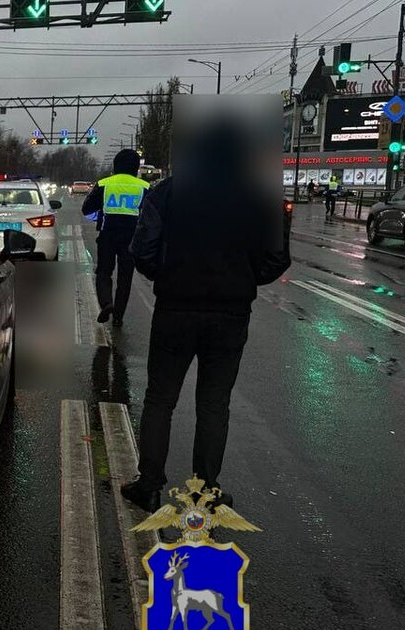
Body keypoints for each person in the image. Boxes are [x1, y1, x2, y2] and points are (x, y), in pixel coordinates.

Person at [120, 116, 291, 513]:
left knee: (161, 398)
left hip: (175, 310)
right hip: (230, 315)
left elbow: (142, 249)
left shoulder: (167, 192)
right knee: (214, 404)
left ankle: (148, 484)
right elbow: (277, 259)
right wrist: (242, 279)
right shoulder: (260, 198)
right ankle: (205, 490)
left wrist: (171, 277)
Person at [82, 149, 150, 327]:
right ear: (136, 167)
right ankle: (118, 316)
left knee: (104, 272)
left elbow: (86, 209)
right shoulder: (144, 187)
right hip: (132, 238)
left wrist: (101, 216)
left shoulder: (104, 183)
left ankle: (106, 303)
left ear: (115, 165)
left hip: (108, 235)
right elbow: (151, 215)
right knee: (125, 278)